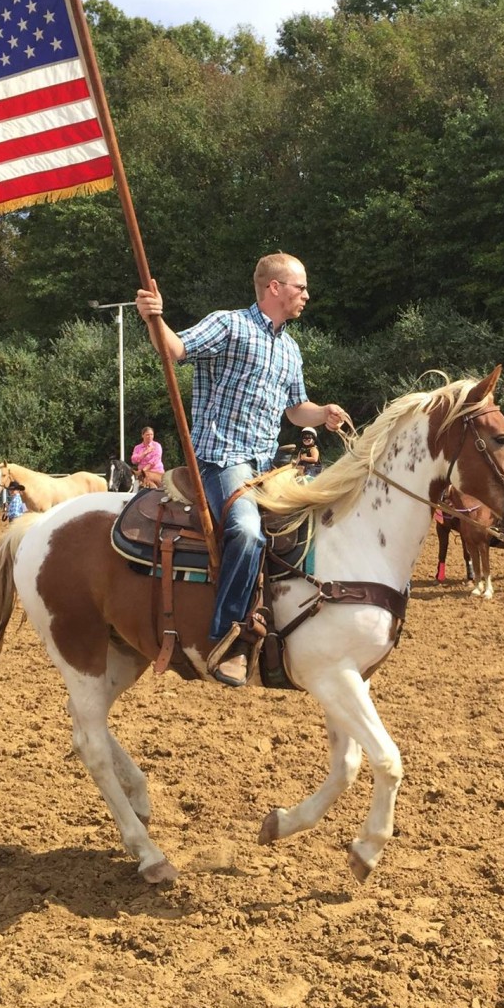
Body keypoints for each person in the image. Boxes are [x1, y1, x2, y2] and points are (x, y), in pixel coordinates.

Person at [135, 252, 349, 688]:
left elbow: (295, 410)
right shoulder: (230, 325)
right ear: (275, 288)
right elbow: (174, 349)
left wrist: (322, 412)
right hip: (221, 458)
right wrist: (154, 318)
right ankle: (229, 637)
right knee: (248, 531)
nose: (306, 295)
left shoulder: (291, 347)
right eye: (300, 287)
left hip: (267, 466)